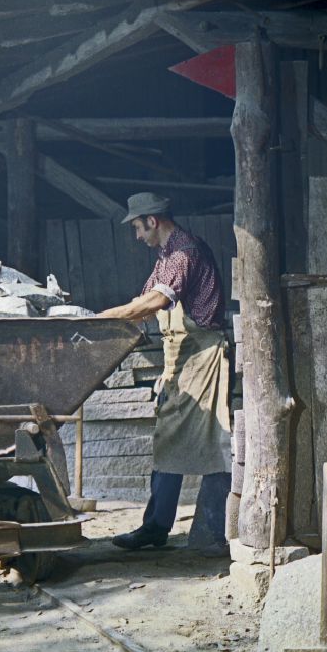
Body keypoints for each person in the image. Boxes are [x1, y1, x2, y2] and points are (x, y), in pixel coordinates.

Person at [97, 192, 232, 556]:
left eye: (138, 228)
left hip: (202, 357)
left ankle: (212, 529)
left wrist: (99, 320)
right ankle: (156, 525)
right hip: (181, 359)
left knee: (212, 443)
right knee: (167, 441)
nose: (137, 236)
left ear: (153, 221)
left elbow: (155, 303)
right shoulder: (165, 256)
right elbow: (142, 303)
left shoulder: (185, 251)